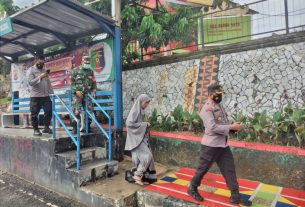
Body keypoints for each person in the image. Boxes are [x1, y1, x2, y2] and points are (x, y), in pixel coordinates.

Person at [187, 84, 252, 206]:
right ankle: (192, 188)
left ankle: (235, 195)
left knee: (229, 169)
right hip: (210, 146)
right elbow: (212, 127)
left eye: (221, 94)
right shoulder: (206, 109)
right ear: (211, 95)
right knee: (202, 169)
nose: (220, 96)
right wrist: (230, 127)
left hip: (223, 145)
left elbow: (223, 123)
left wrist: (233, 126)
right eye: (218, 94)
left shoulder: (219, 105)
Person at [125, 94, 157, 186]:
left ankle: (142, 177)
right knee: (147, 156)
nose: (147, 105)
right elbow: (129, 123)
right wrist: (144, 124)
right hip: (136, 139)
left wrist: (143, 125)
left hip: (139, 137)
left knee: (138, 158)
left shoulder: (140, 110)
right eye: (146, 102)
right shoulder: (135, 110)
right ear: (140, 101)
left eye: (148, 103)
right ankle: (138, 176)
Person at [26, 56, 54, 136]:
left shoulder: (44, 69)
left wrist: (51, 92)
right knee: (34, 113)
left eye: (42, 63)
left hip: (45, 95)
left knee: (49, 111)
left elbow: (48, 82)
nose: (41, 64)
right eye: (39, 63)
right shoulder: (30, 70)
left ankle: (46, 127)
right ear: (35, 61)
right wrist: (40, 76)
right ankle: (36, 129)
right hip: (36, 96)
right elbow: (30, 82)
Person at [70, 55, 97, 134]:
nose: (87, 64)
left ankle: (88, 127)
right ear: (82, 62)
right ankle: (75, 128)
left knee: (89, 111)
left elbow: (94, 82)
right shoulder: (75, 70)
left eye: (88, 63)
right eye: (86, 63)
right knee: (76, 111)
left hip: (87, 94)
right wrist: (76, 91)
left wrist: (94, 90)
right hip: (77, 95)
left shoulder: (91, 71)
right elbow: (71, 83)